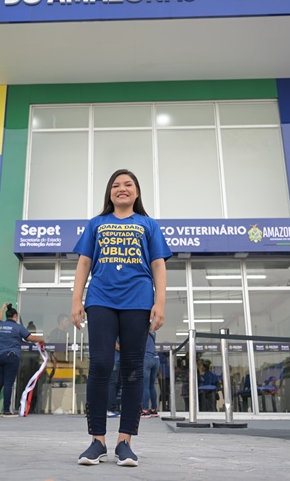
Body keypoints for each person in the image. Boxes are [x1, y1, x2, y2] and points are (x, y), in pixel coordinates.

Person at [71, 169, 171, 467]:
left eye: (128, 184)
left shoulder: (148, 224)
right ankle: (97, 441)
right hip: (100, 299)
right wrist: (76, 299)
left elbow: (158, 264)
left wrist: (160, 302)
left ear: (137, 192)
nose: (122, 188)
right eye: (116, 185)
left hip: (138, 301)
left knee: (132, 369)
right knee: (101, 365)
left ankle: (125, 441)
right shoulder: (96, 224)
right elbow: (84, 262)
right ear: (110, 193)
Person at [0, 302, 42, 417]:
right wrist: (43, 339)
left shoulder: (0, 325)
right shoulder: (18, 327)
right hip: (11, 356)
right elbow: (31, 338)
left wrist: (2, 307)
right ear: (15, 316)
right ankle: (6, 410)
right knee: (8, 383)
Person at [141, 330, 160, 418]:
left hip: (146, 358)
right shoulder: (152, 333)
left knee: (145, 386)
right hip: (156, 359)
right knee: (151, 385)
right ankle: (154, 409)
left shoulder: (139, 332)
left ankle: (145, 410)